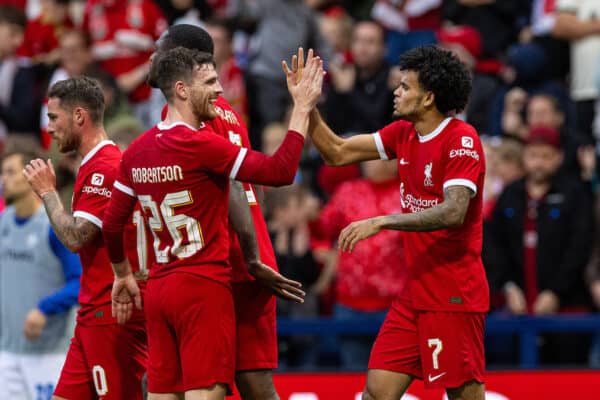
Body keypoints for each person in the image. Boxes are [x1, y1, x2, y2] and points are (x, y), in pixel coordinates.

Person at [102, 48, 322, 400]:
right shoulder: (202, 145)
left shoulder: (136, 151)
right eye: (209, 82)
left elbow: (112, 226)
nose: (220, 90)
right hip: (203, 288)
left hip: (159, 291)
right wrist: (301, 107)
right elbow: (280, 172)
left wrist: (122, 274)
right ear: (182, 89)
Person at [286, 45, 488, 399]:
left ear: (428, 99)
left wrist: (383, 221)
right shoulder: (402, 134)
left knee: (462, 395)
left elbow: (454, 211)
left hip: (454, 295)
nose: (396, 92)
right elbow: (337, 152)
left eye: (406, 87)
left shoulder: (461, 140)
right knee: (377, 392)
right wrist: (307, 106)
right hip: (414, 292)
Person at [147, 24, 296, 399]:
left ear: (178, 60)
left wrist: (247, 254)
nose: (151, 56)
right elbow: (252, 186)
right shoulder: (227, 112)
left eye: (159, 49)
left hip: (220, 259)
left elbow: (231, 185)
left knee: (197, 383)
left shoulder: (188, 114)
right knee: (252, 381)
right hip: (246, 254)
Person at [22, 77, 147, 399]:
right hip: (93, 311)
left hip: (111, 312)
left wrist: (48, 192)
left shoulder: (104, 167)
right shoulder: (97, 164)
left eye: (53, 118)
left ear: (79, 116)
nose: (49, 128)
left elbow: (76, 238)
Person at [0, 149, 81, 400]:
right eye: (2, 172)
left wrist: (45, 308)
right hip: (7, 351)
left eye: (11, 172)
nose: (4, 179)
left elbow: (79, 281)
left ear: (29, 176)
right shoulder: (4, 221)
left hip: (48, 354)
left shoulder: (52, 226)